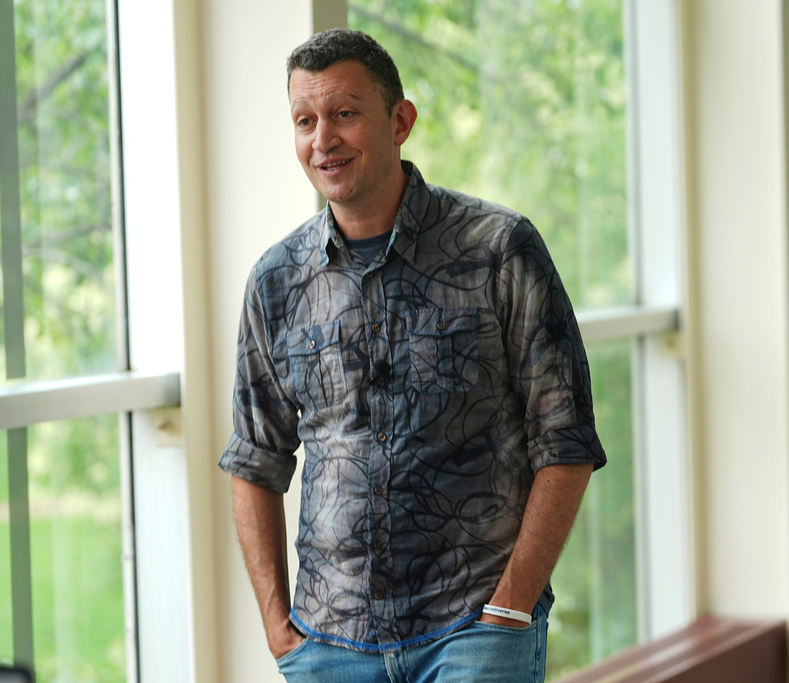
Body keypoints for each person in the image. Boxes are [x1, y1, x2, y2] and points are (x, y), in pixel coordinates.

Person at [219, 28, 606, 683]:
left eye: (345, 113)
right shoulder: (276, 280)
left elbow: (565, 438)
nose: (323, 139)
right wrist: (279, 629)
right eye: (305, 121)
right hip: (328, 644)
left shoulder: (498, 249)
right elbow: (255, 460)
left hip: (474, 631)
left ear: (400, 121)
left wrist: (511, 607)